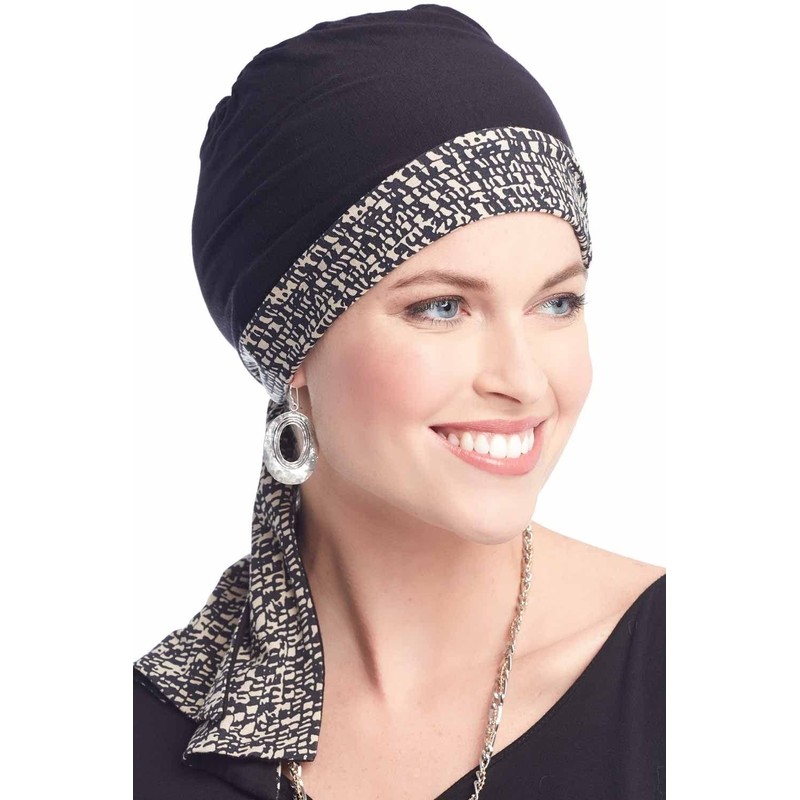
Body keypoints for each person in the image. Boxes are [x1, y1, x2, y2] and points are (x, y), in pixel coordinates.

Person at [133, 5, 666, 799]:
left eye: (556, 303)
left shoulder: (692, 675)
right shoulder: (143, 736)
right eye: (443, 307)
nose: (524, 380)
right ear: (292, 346)